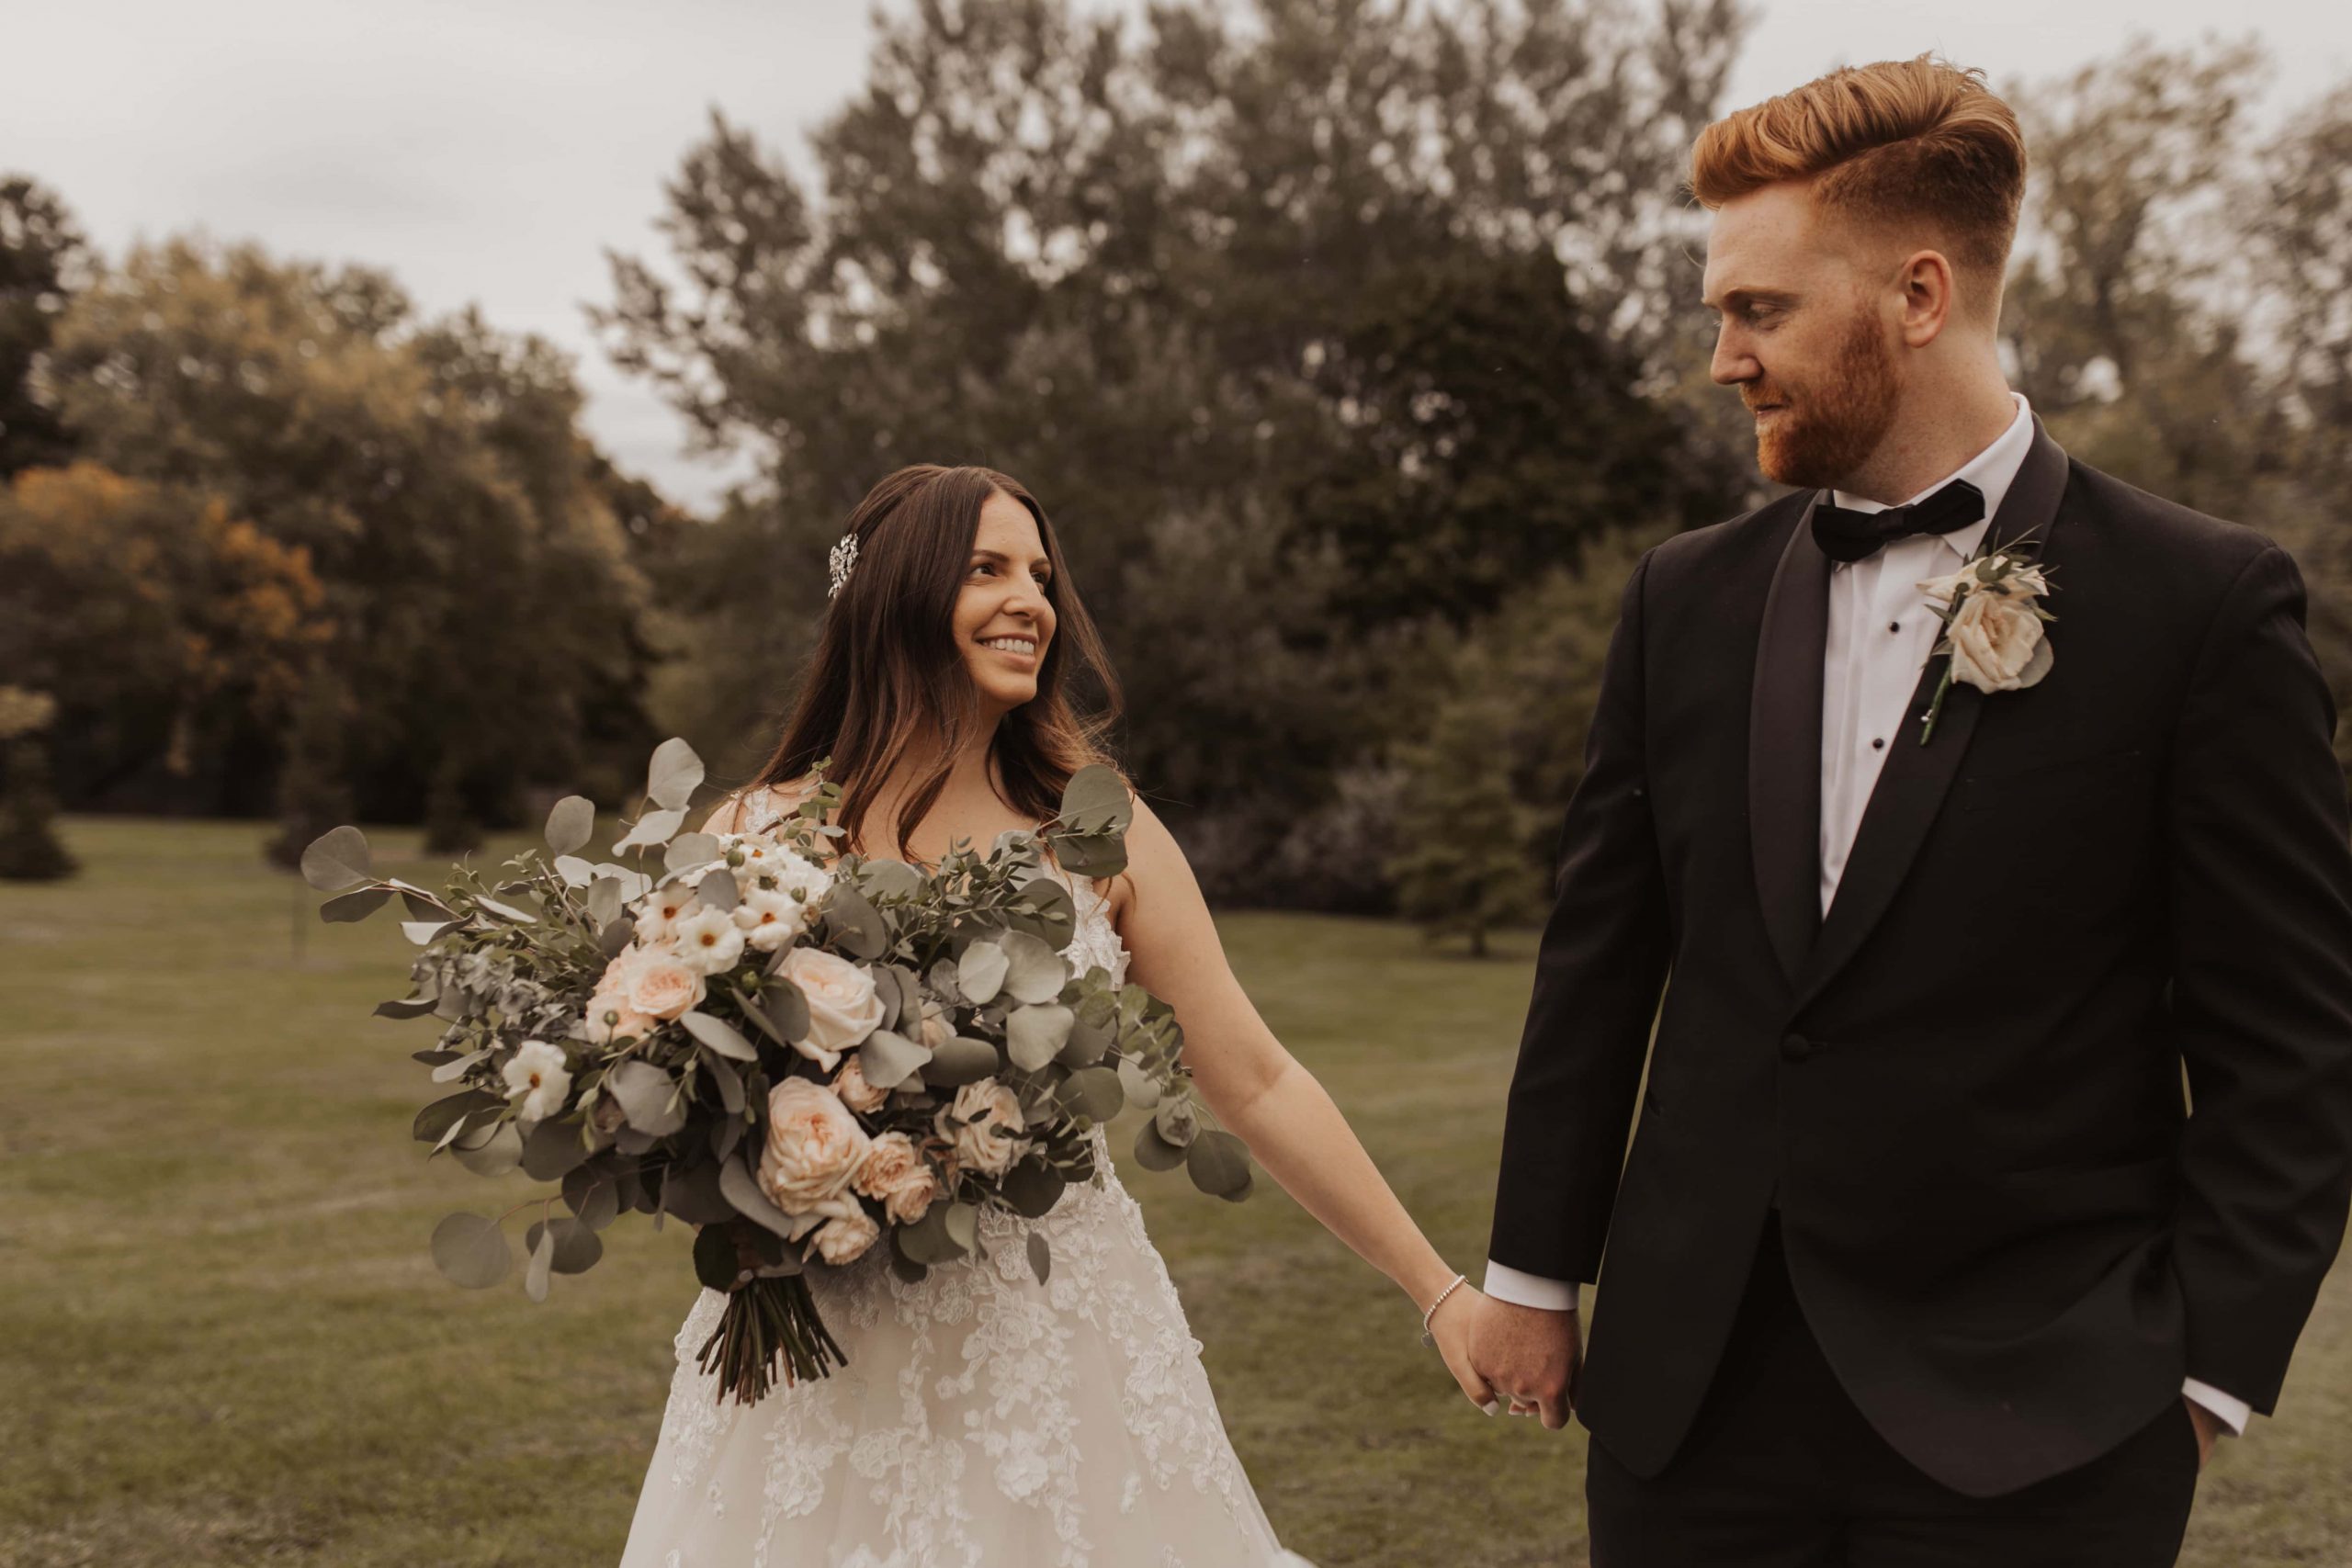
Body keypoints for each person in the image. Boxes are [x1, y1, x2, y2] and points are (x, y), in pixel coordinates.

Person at [1460, 55, 2352, 1567]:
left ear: (1920, 293)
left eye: (1760, 309)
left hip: (2045, 1422)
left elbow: (2292, 1037)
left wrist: (2199, 1377)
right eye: (1721, 315)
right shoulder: (1686, 600)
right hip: (1693, 1410)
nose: (1726, 356)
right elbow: (1601, 961)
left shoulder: (2202, 606)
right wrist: (1534, 1274)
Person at [618, 462, 1487, 1567]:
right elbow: (692, 1090)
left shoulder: (1094, 830)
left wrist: (1437, 1290)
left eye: (1039, 573)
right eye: (986, 569)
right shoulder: (760, 830)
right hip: (820, 1335)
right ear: (895, 594)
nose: (1031, 599)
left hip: (1053, 1332)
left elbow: (1255, 1078)